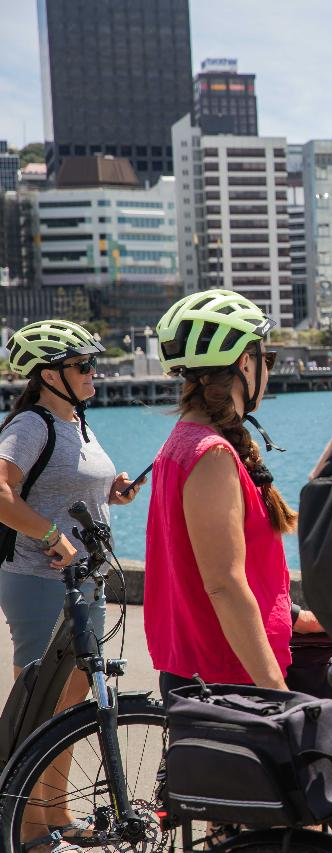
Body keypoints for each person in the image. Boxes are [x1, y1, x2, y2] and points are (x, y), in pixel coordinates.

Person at [0, 319, 146, 840]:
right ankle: (30, 828)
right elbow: (1, 493)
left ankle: (56, 815)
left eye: (93, 364)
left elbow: (70, 485)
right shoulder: (30, 426)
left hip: (87, 579)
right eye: (83, 365)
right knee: (40, 703)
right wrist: (47, 536)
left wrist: (113, 493)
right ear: (48, 374)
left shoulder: (77, 421)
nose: (93, 373)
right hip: (39, 582)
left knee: (72, 703)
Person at [144, 289, 320, 707]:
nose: (269, 370)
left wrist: (292, 617)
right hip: (228, 678)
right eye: (267, 359)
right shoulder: (211, 455)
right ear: (245, 363)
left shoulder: (183, 444)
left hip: (202, 670)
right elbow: (223, 583)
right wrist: (276, 690)